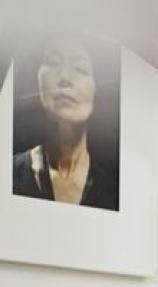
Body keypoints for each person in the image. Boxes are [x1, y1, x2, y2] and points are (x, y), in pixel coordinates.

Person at [11, 32, 118, 211]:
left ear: (97, 88)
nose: (64, 78)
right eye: (53, 62)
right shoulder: (9, 172)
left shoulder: (112, 191)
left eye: (80, 68)